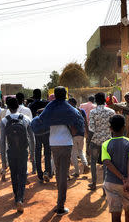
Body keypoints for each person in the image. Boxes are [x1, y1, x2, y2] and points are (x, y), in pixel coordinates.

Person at [31, 86, 84, 216]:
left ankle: (59, 202)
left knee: (59, 173)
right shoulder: (70, 109)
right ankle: (60, 206)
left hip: (53, 144)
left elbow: (39, 122)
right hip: (66, 144)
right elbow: (79, 125)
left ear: (54, 95)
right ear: (65, 95)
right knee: (63, 175)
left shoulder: (50, 108)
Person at [102, 115, 129, 222]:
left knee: (115, 214)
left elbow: (107, 163)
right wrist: (128, 181)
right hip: (128, 184)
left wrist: (122, 178)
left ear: (110, 128)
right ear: (124, 127)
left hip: (111, 183)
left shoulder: (105, 144)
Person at [0, 97, 30, 213]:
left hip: (11, 151)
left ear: (8, 107)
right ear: (18, 106)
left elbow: (2, 142)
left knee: (14, 173)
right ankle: (20, 198)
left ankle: (16, 196)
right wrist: (32, 153)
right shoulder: (26, 119)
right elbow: (31, 138)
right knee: (22, 174)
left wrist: (3, 160)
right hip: (23, 151)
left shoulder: (4, 121)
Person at [88, 92, 115, 192]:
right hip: (107, 141)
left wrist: (87, 143)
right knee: (106, 164)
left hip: (95, 141)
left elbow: (91, 129)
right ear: (104, 100)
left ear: (95, 100)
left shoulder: (93, 112)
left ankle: (94, 183)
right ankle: (105, 187)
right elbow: (114, 128)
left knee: (93, 162)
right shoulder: (111, 112)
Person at [7, 92, 35, 174]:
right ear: (23, 100)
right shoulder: (27, 110)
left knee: (15, 157)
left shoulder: (8, 112)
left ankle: (17, 173)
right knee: (24, 155)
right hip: (25, 137)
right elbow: (31, 124)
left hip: (11, 139)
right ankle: (28, 170)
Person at [28, 89, 51, 183]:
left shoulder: (31, 105)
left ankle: (40, 174)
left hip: (36, 131)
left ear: (33, 95)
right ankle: (47, 171)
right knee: (47, 152)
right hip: (46, 130)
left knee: (37, 152)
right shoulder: (46, 103)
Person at [68, 98, 90, 177]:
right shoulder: (81, 111)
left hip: (73, 134)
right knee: (80, 151)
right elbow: (85, 122)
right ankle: (85, 164)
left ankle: (77, 172)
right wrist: (86, 132)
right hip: (81, 133)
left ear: (71, 103)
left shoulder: (70, 111)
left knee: (73, 153)